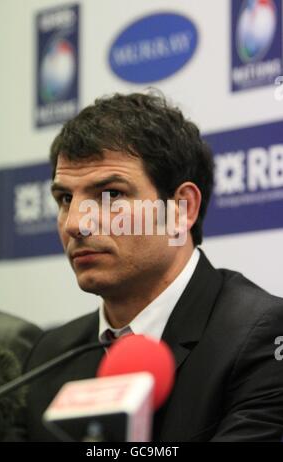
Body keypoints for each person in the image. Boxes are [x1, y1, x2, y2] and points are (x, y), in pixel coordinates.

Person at [24, 91, 283, 441]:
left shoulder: (261, 338)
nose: (75, 224)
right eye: (65, 199)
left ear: (182, 209)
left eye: (111, 194)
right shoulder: (51, 354)